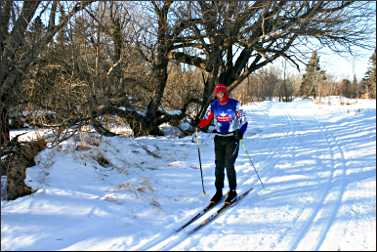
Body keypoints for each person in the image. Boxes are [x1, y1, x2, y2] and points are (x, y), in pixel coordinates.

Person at [197, 83, 248, 204]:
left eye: (222, 93)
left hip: (232, 138)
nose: (220, 95)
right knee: (219, 166)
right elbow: (206, 119)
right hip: (219, 138)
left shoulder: (234, 104)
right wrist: (198, 124)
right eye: (218, 93)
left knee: (229, 165)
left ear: (225, 93)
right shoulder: (213, 105)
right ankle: (218, 191)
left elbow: (244, 121)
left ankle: (232, 191)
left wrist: (240, 132)